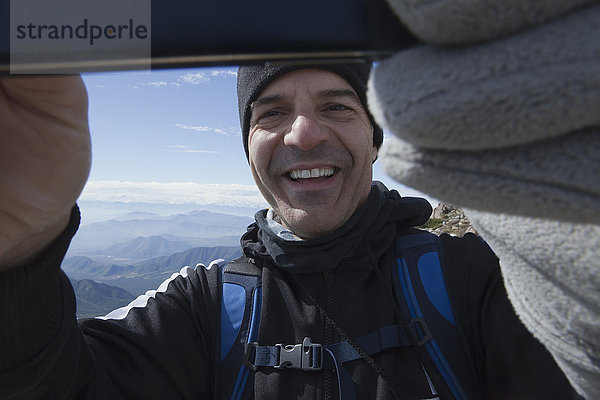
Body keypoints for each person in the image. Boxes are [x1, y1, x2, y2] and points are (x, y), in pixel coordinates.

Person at [0, 63, 581, 399]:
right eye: (270, 113)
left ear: (374, 141)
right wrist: (20, 251)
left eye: (337, 107)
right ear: (248, 150)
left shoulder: (478, 279)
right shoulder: (202, 306)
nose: (303, 135)